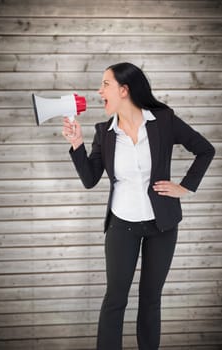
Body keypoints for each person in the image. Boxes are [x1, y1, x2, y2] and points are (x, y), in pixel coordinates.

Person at [62, 62, 215, 350]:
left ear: (124, 89)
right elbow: (90, 179)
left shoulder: (164, 121)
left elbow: (205, 149)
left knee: (150, 299)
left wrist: (185, 187)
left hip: (162, 225)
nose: (99, 90)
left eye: (105, 84)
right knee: (115, 299)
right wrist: (77, 143)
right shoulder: (104, 132)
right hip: (122, 225)